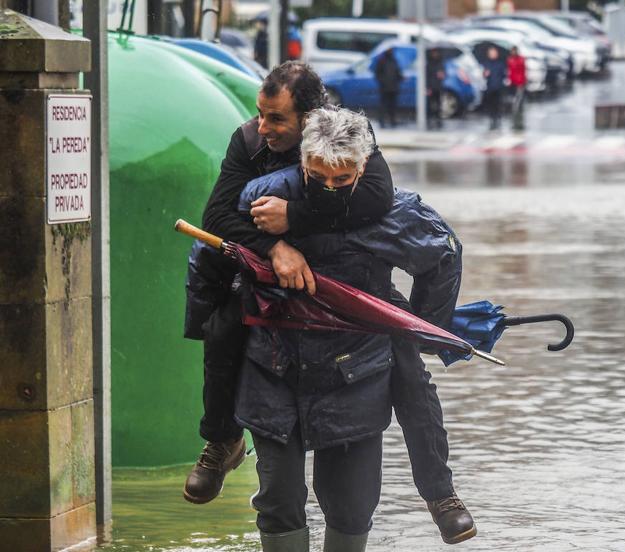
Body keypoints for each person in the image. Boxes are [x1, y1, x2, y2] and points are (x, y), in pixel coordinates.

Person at [184, 61, 476, 544]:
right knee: (224, 340)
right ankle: (220, 438)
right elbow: (212, 236)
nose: (264, 126)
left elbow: (426, 243)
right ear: (303, 162)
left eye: (276, 118)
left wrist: (425, 326)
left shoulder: (374, 180)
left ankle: (440, 492)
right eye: (262, 115)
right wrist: (270, 251)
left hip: (357, 353)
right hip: (273, 351)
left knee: (407, 382)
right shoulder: (254, 172)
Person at [373, 48, 403, 128]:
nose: (391, 51)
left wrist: (401, 78)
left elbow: (398, 73)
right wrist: (383, 81)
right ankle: (382, 121)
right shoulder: (381, 61)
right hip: (384, 87)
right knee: (383, 105)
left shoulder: (394, 60)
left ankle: (392, 121)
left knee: (393, 105)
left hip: (394, 87)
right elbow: (377, 74)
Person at [480, 46, 507, 131]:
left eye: (494, 53)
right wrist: (485, 74)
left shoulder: (500, 63)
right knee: (491, 105)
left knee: (498, 105)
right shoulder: (486, 63)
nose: (493, 54)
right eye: (491, 53)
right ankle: (492, 121)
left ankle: (497, 120)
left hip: (498, 87)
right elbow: (483, 75)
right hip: (489, 87)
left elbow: (504, 75)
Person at [506, 46, 527, 131]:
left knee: (518, 104)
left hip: (520, 83)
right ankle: (515, 122)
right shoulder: (509, 60)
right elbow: (509, 71)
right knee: (514, 104)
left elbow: (522, 70)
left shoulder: (521, 59)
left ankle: (519, 122)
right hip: (512, 83)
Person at [425, 48, 445, 130]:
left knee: (438, 105)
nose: (435, 54)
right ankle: (429, 120)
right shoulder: (428, 64)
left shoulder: (440, 64)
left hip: (438, 87)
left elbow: (443, 74)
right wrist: (427, 87)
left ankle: (438, 120)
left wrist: (442, 75)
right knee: (429, 105)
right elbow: (426, 77)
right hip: (431, 87)